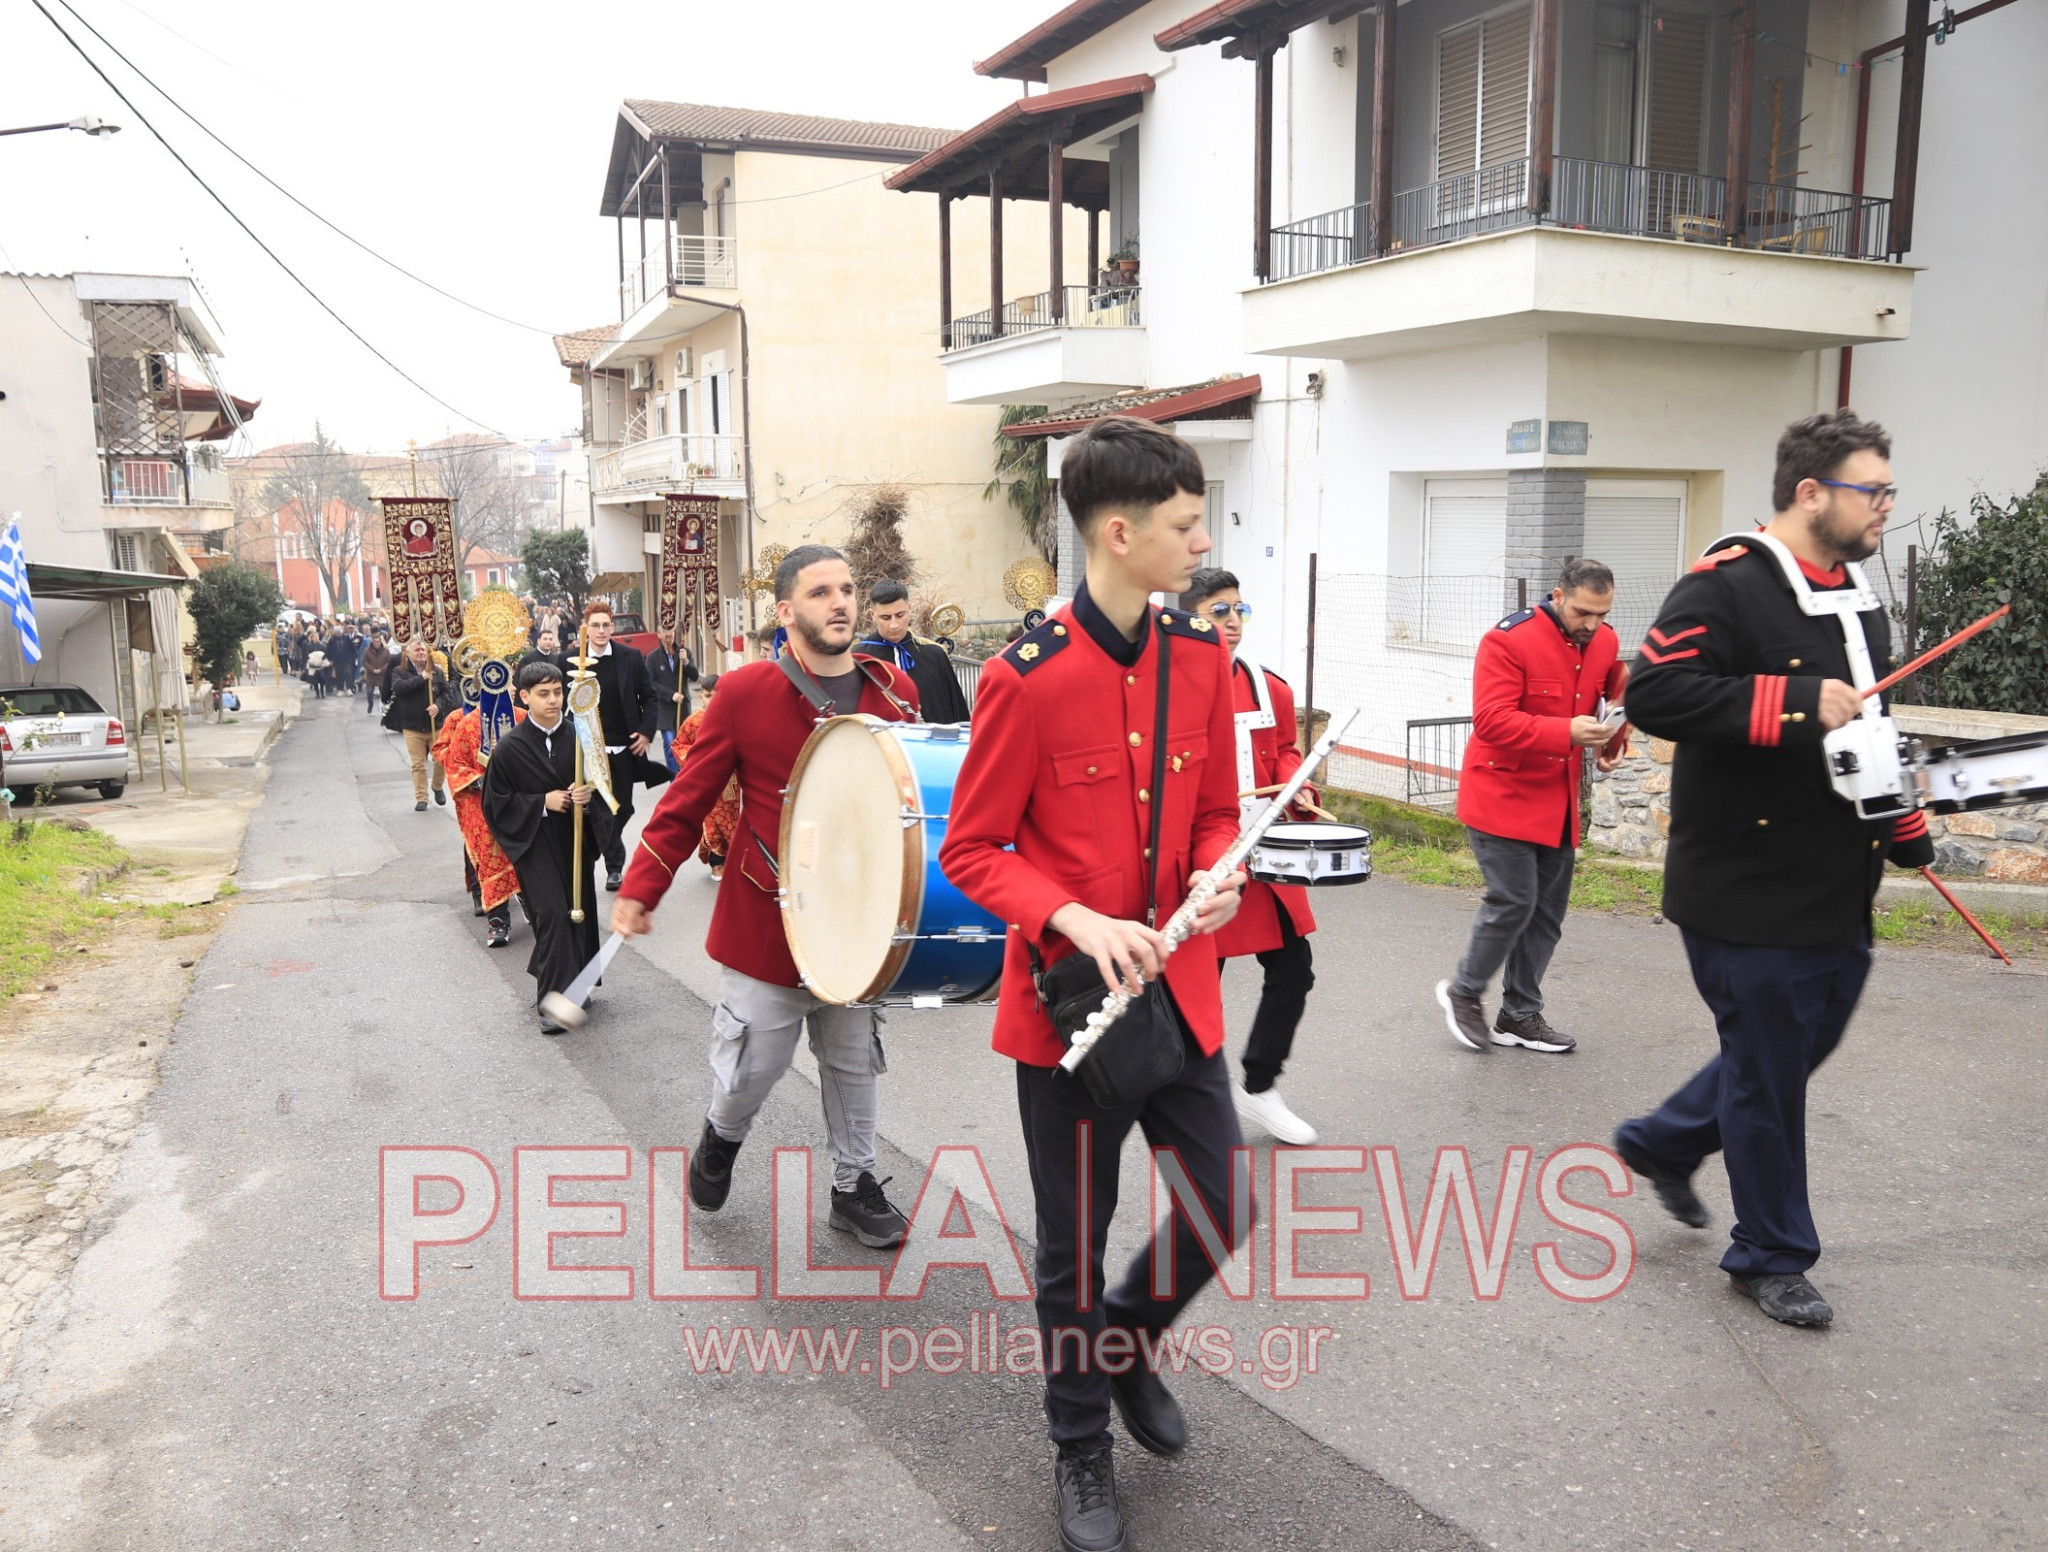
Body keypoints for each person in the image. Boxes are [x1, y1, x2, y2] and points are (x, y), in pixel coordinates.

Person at [939, 417, 1247, 1552]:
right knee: (1072, 1240)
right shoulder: (1024, 680)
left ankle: (1124, 1339)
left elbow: (1218, 805)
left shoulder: (1202, 661)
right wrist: (1070, 913)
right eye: (1183, 525)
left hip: (1181, 995)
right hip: (1067, 1014)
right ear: (1118, 534)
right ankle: (1079, 1445)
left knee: (1221, 1206)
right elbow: (970, 849)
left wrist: (1221, 873)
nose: (1201, 539)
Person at [1614, 409, 1934, 1329]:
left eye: (1886, 491)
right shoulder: (1726, 584)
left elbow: (1868, 729)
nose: (1885, 508)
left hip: (1838, 879)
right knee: (1767, 1075)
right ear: (1810, 493)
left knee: (1787, 1058)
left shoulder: (1857, 594)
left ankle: (1663, 1141)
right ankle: (1770, 1254)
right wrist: (1791, 701)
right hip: (1745, 886)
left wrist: (1903, 821)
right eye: (1873, 491)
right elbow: (1654, 693)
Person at [611, 545, 922, 1249]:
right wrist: (642, 886)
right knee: (754, 1064)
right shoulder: (746, 693)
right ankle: (722, 1135)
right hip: (768, 919)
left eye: (847, 589)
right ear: (786, 611)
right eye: (820, 592)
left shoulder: (894, 694)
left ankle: (855, 1184)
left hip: (861, 920)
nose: (840, 602)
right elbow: (686, 802)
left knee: (852, 1058)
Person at [1435, 558, 1630, 1056]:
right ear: (1558, 596)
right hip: (1501, 795)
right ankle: (1463, 992)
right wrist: (1565, 730)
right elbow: (1492, 722)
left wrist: (1613, 743)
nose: (1592, 625)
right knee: (1514, 900)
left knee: (1546, 914)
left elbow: (1615, 691)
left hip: (1558, 799)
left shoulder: (1603, 641)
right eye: (1583, 612)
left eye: (1602, 614)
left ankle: (1519, 1015)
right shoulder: (1507, 640)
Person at [1178, 567, 1322, 1146]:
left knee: (1293, 970)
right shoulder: (1169, 685)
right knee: (1197, 984)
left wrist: (1298, 785)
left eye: (1239, 609)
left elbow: (1285, 750)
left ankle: (1259, 1087)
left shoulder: (1271, 687)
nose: (1233, 621)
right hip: (1197, 862)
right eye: (1219, 610)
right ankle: (1195, 1098)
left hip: (1265, 854)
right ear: (1188, 614)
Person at [483, 661, 611, 1033]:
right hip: (535, 842)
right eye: (543, 694)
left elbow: (604, 788)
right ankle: (552, 1000)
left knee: (579, 912)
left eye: (557, 692)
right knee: (553, 914)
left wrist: (588, 799)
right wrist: (542, 801)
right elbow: (496, 804)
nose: (553, 700)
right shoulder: (509, 749)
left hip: (574, 839)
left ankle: (576, 984)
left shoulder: (580, 739)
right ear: (524, 697)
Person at [572, 602, 659, 892]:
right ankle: (614, 868)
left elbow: (649, 697)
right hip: (587, 752)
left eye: (605, 625)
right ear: (585, 628)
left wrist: (646, 732)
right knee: (602, 810)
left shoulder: (630, 658)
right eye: (595, 625)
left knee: (624, 809)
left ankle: (600, 849)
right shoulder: (571, 660)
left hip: (623, 750)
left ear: (612, 627)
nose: (601, 631)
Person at [433, 701, 523, 948]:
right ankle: (498, 920)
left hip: (522, 800)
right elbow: (454, 761)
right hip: (483, 803)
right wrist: (475, 780)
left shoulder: (523, 716)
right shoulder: (465, 722)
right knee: (489, 858)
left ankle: (531, 903)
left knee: (525, 855)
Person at [858, 579, 970, 723]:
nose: (894, 625)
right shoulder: (860, 659)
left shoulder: (934, 654)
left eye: (900, 615)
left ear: (910, 609)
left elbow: (955, 712)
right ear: (872, 615)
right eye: (885, 617)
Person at [666, 674, 737, 879]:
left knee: (732, 822)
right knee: (711, 821)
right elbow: (679, 745)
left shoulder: (734, 719)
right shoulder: (693, 722)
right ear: (701, 697)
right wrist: (695, 760)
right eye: (708, 696)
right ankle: (717, 862)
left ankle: (732, 858)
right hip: (705, 781)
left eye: (717, 696)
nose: (712, 700)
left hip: (731, 783)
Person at [388, 638, 454, 811]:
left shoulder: (436, 672)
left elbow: (448, 693)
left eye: (423, 650)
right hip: (413, 726)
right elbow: (399, 689)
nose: (421, 653)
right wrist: (422, 678)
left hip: (435, 725)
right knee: (418, 765)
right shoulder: (399, 671)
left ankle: (437, 786)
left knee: (441, 760)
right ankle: (422, 798)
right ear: (408, 653)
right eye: (417, 650)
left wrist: (438, 705)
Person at [646, 626, 699, 760]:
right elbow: (651, 683)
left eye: (671, 630)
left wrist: (686, 662)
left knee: (684, 746)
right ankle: (673, 778)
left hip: (683, 706)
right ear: (659, 634)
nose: (669, 634)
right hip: (665, 707)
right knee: (669, 743)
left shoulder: (684, 652)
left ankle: (683, 776)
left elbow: (695, 676)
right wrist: (671, 695)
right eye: (665, 631)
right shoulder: (653, 657)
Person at [360, 630, 392, 718]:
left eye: (378, 642)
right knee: (369, 692)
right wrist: (372, 669)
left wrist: (381, 669)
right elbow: (364, 662)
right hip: (371, 675)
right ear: (372, 642)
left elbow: (388, 662)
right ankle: (370, 705)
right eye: (375, 642)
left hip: (382, 675)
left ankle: (384, 707)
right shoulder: (367, 650)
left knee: (383, 692)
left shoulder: (386, 651)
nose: (377, 643)